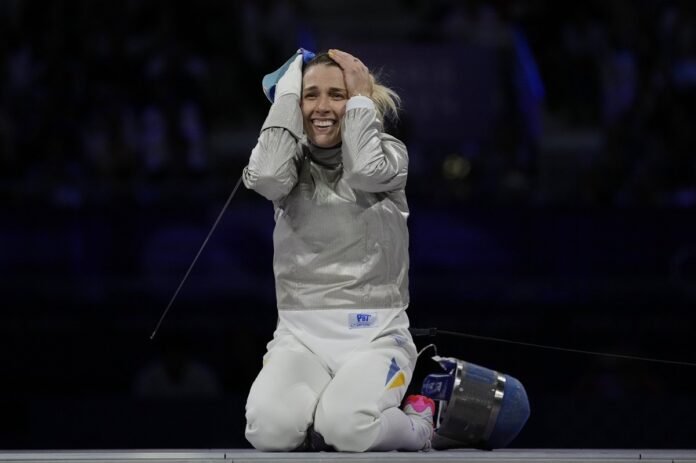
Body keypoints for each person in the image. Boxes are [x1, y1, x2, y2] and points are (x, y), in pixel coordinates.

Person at [242, 48, 434, 452]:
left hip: (377, 337)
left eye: (337, 94)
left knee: (349, 428)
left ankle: (420, 423)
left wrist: (363, 97)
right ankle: (320, 420)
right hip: (301, 338)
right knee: (268, 431)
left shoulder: (390, 153)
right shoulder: (287, 161)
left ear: (359, 100)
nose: (322, 107)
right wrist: (286, 94)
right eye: (310, 95)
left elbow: (364, 171)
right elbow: (267, 178)